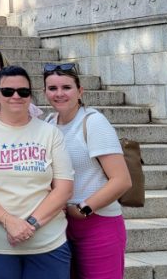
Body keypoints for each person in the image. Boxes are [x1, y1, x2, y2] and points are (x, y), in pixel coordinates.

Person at [0, 66, 74, 279]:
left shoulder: (50, 133)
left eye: (23, 92)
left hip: (47, 243)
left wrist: (29, 225)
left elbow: (64, 189)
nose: (16, 96)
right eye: (8, 91)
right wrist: (8, 221)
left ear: (30, 96)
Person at [43, 63, 130, 279]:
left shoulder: (93, 122)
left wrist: (82, 210)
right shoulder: (48, 122)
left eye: (66, 87)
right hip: (60, 225)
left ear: (80, 91)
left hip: (98, 223)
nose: (59, 93)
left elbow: (121, 180)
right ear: (44, 92)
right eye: (52, 88)